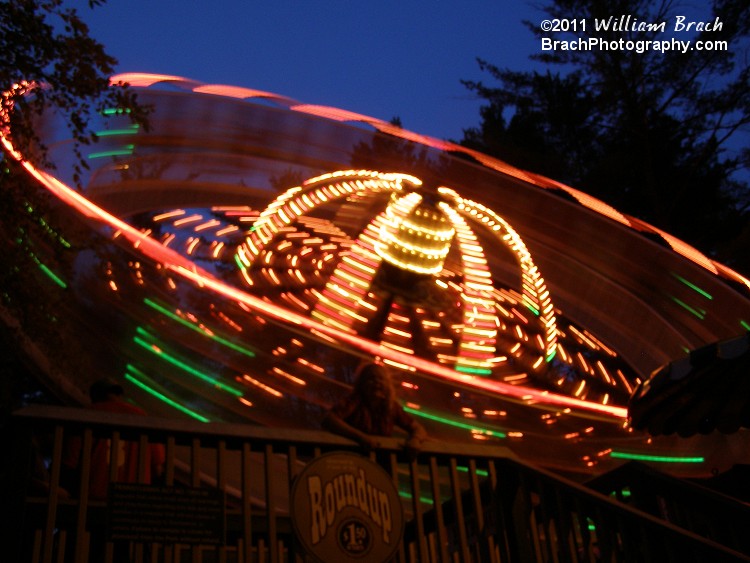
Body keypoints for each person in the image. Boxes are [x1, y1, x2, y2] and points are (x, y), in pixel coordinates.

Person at [61, 377, 165, 499]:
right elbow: (158, 468)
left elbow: (69, 461)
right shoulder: (141, 416)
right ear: (118, 394)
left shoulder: (86, 415)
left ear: (95, 396)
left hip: (95, 496)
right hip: (135, 499)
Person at [323, 363, 426, 456]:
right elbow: (330, 420)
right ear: (362, 383)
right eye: (371, 378)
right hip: (355, 459)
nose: (376, 382)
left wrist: (415, 440)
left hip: (381, 462)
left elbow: (418, 429)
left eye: (380, 379)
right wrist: (360, 437)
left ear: (387, 384)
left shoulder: (392, 407)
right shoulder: (354, 402)